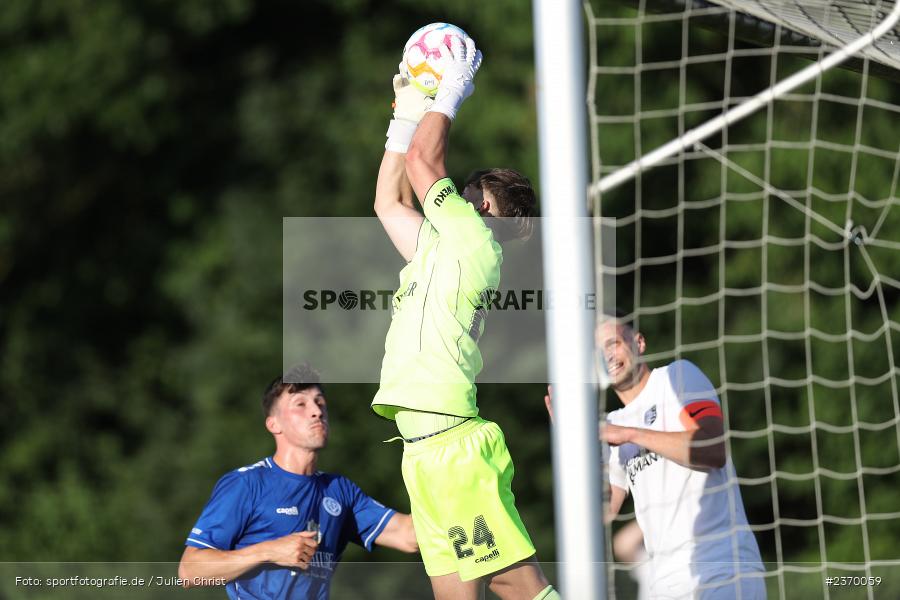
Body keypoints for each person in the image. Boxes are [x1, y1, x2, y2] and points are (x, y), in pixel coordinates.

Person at [371, 33, 558, 600]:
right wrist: (405, 114)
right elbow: (388, 201)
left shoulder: (473, 239)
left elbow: (422, 163)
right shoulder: (443, 246)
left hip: (452, 447)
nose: (451, 196)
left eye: (467, 194)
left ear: (485, 210)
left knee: (524, 590)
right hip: (423, 451)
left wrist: (451, 89)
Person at [546, 313, 766, 599]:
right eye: (598, 352)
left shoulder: (676, 378)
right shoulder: (612, 423)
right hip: (663, 584)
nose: (607, 356)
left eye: (613, 343)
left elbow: (713, 450)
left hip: (721, 569)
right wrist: (577, 445)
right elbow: (604, 509)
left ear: (638, 343)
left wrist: (630, 434)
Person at [178, 365, 419, 599]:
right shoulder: (246, 484)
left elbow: (409, 535)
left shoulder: (339, 490)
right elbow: (189, 572)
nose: (316, 411)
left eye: (320, 402)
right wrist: (268, 551)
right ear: (274, 424)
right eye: (300, 404)